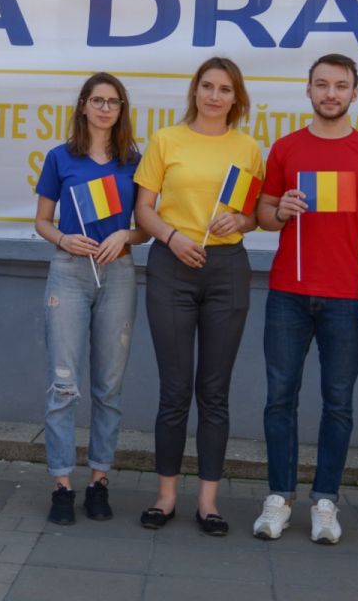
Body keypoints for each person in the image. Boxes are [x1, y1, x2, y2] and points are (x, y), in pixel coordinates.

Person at [251, 53, 358, 544]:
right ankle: (279, 497)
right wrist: (281, 211)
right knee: (279, 399)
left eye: (341, 85)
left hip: (345, 297)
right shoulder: (286, 148)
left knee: (339, 403)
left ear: (355, 92)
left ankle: (325, 501)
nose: (331, 93)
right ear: (308, 90)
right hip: (288, 293)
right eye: (322, 84)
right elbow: (264, 214)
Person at [133, 57, 263, 535]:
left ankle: (209, 502)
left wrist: (240, 220)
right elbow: (143, 209)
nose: (214, 96)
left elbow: (254, 213)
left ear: (236, 98)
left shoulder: (248, 148)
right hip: (173, 265)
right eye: (207, 86)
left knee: (214, 392)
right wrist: (172, 238)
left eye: (225, 89)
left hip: (227, 269)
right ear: (195, 91)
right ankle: (166, 496)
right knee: (174, 391)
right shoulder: (166, 140)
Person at [34, 73, 147, 525]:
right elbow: (42, 221)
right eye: (97, 100)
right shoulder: (60, 157)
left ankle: (99, 481)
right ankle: (62, 485)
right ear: (83, 105)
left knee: (108, 387)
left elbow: (146, 226)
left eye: (113, 102)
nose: (104, 108)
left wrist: (126, 235)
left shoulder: (133, 161)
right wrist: (63, 239)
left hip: (117, 272)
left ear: (122, 110)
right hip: (69, 272)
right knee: (63, 386)